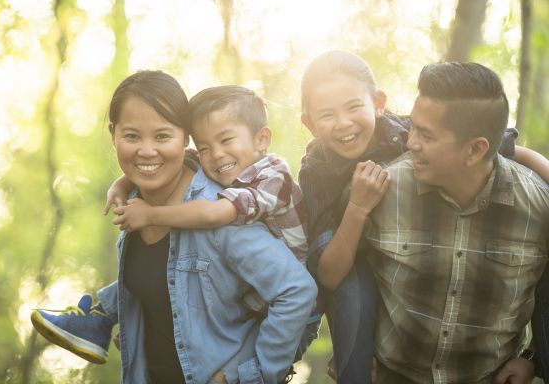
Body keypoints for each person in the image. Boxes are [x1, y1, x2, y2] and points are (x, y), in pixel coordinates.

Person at [31, 70, 317, 384]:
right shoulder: (138, 201)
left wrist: (246, 375)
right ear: (113, 135)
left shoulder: (221, 212)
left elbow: (297, 292)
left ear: (184, 139)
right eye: (132, 136)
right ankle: (99, 314)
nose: (147, 150)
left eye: (162, 136)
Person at [297, 50, 549, 383]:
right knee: (349, 281)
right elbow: (330, 275)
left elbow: (503, 145)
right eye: (414, 129)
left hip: (488, 375)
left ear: (378, 103)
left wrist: (532, 357)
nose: (411, 143)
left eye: (425, 135)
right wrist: (354, 354)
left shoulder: (536, 206)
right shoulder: (337, 177)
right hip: (390, 364)